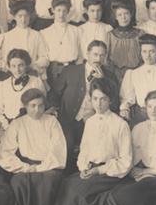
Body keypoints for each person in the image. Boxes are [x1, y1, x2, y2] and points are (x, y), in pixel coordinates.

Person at [50, 78, 135, 205]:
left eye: (103, 99)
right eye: (95, 98)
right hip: (92, 169)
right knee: (67, 184)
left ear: (110, 100)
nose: (99, 103)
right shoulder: (90, 122)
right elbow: (85, 151)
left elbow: (125, 161)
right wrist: (83, 167)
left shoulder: (120, 124)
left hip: (112, 173)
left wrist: (99, 170)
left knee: (79, 192)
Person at [0, 88, 67, 205]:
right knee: (18, 182)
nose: (37, 110)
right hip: (26, 166)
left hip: (48, 166)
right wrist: (24, 167)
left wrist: (40, 167)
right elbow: (4, 152)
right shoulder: (17, 123)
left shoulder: (52, 122)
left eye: (41, 105)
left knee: (49, 181)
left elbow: (57, 149)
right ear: (25, 106)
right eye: (33, 106)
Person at [48, 39, 120, 168]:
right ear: (87, 54)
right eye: (95, 54)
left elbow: (114, 103)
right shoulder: (70, 71)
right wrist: (53, 110)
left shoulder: (110, 76)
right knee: (66, 148)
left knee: (93, 151)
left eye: (102, 55)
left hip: (94, 121)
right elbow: (54, 94)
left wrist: (102, 81)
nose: (98, 59)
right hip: (69, 119)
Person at [0, 0, 50, 81]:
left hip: (31, 75)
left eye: (26, 16)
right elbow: (2, 60)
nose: (23, 19)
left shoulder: (37, 35)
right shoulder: (6, 36)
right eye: (20, 16)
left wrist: (33, 66)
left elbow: (44, 57)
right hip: (10, 76)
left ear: (30, 17)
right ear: (14, 17)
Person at [0, 48, 46, 129]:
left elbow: (42, 106)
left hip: (31, 126)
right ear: (9, 67)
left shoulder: (36, 82)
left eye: (21, 65)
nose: (17, 70)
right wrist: (8, 127)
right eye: (13, 66)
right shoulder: (2, 85)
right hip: (8, 127)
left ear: (27, 65)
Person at [41, 0, 83, 89]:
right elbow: (44, 56)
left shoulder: (77, 31)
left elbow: (80, 55)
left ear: (68, 11)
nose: (61, 14)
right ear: (53, 10)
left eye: (64, 11)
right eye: (58, 10)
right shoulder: (45, 33)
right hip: (53, 71)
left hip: (72, 68)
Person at [107, 1, 143, 81]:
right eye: (120, 15)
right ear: (116, 17)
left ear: (131, 14)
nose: (123, 17)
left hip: (136, 75)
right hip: (115, 76)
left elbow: (143, 57)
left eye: (126, 13)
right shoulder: (110, 35)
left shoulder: (140, 34)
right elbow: (107, 59)